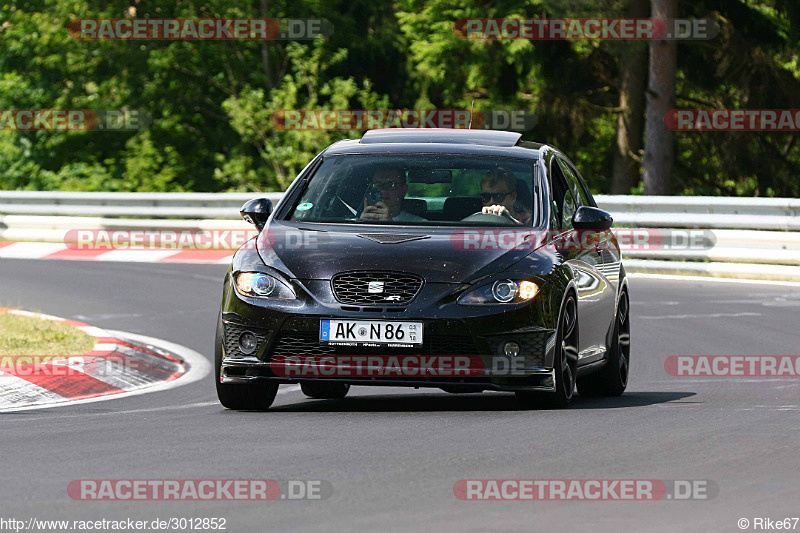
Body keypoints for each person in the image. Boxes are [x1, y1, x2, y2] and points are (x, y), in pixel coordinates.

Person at [360, 167, 426, 222]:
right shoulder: (351, 220)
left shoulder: (419, 224)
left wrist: (390, 223)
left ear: (403, 191)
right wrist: (361, 224)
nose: (383, 190)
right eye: (378, 185)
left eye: (391, 185)